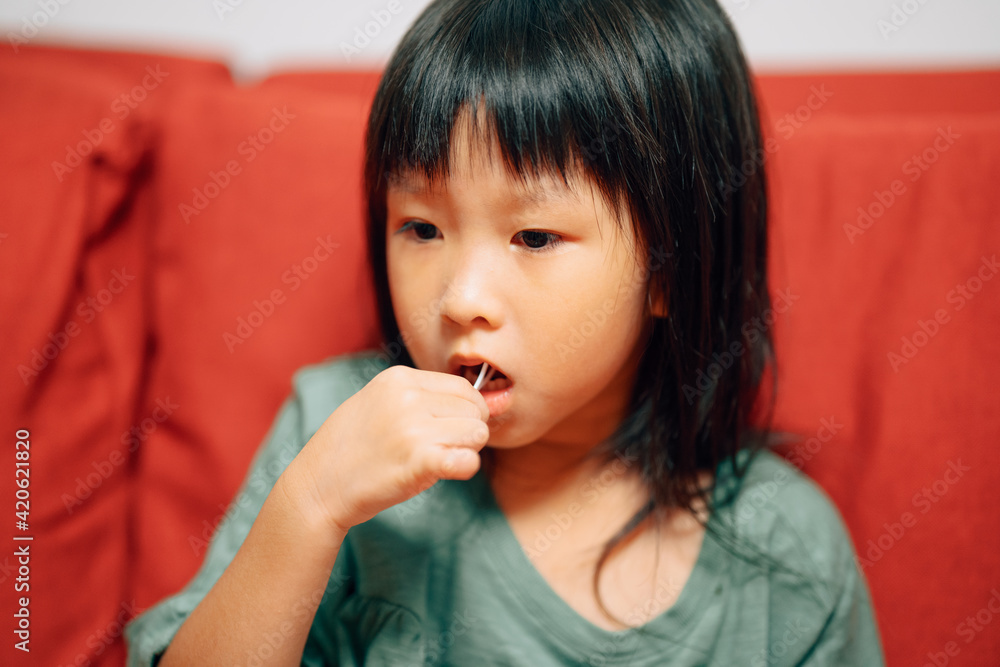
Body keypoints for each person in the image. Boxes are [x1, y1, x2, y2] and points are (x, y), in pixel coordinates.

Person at [125, 0, 886, 664]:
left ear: (670, 267)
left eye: (534, 237)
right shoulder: (330, 431)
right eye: (422, 227)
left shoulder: (788, 557)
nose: (461, 299)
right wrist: (309, 510)